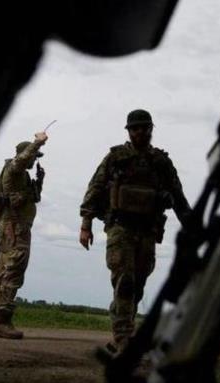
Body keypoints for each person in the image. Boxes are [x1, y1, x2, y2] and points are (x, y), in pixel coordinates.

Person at [79, 109, 191, 352]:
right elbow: (95, 189)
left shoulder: (160, 162)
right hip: (120, 228)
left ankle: (122, 329)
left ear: (151, 129)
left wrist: (192, 229)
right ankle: (123, 339)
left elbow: (180, 199)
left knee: (137, 284)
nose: (140, 132)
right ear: (128, 131)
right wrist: (85, 225)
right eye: (135, 128)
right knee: (125, 281)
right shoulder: (116, 158)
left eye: (144, 127)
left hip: (148, 231)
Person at [0, 131, 48, 339]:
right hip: (15, 227)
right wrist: (37, 143)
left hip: (10, 226)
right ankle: (3, 321)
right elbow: (21, 160)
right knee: (14, 270)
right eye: (33, 157)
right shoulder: (15, 168)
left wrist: (38, 184)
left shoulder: (22, 176)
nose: (33, 161)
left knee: (1, 270)